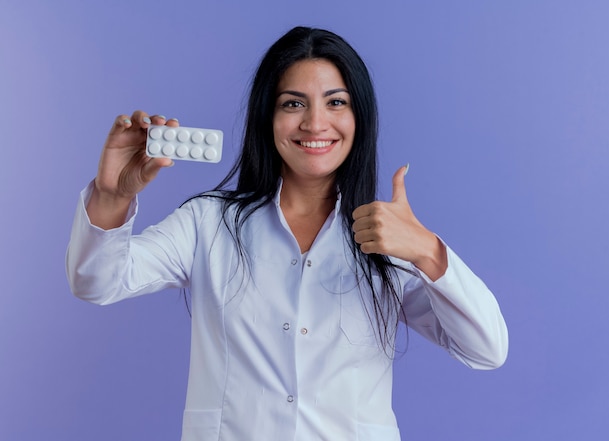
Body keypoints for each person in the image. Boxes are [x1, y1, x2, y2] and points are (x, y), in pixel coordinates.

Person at [66, 26, 508, 441]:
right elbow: (97, 282)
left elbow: (486, 350)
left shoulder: (389, 240)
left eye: (336, 102)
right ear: (268, 116)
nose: (315, 124)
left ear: (360, 117)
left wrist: (427, 250)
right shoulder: (208, 223)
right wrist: (110, 195)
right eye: (293, 103)